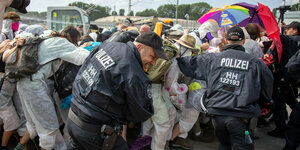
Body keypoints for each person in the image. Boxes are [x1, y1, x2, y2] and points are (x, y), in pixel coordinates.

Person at [67, 31, 168, 150]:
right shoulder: (133, 71)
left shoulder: (110, 45)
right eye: (153, 56)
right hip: (94, 132)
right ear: (140, 47)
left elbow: (84, 69)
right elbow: (141, 113)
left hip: (73, 118)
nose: (154, 62)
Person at [176, 27, 273, 150]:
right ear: (243, 41)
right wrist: (264, 104)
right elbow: (267, 87)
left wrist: (174, 54)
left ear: (226, 41)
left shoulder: (212, 59)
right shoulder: (255, 63)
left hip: (218, 115)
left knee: (225, 145)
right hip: (241, 116)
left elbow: (186, 63)